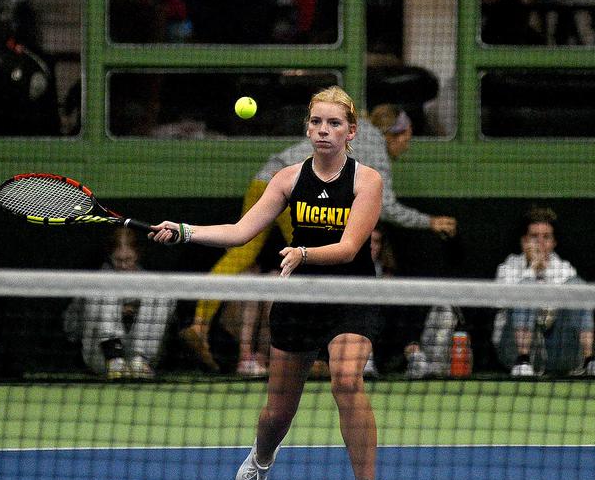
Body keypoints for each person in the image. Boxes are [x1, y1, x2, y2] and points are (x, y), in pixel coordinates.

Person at [150, 86, 388, 480]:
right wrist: (185, 230)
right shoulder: (288, 178)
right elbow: (241, 232)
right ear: (307, 128)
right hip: (298, 300)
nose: (324, 131)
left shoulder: (367, 180)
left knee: (347, 380)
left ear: (351, 132)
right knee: (279, 411)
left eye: (334, 123)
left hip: (351, 297)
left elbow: (352, 246)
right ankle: (261, 458)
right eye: (316, 122)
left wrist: (304, 253)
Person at [180, 101, 458, 369]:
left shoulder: (359, 137)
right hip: (293, 187)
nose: (407, 145)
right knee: (314, 258)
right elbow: (385, 206)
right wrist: (430, 222)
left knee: (244, 253)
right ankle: (308, 352)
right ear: (398, 133)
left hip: (264, 178)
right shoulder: (374, 143)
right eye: (408, 137)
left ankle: (200, 323)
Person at [491, 206, 595, 378]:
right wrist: (532, 271)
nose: (540, 243)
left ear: (554, 243)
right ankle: (523, 361)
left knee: (578, 287)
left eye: (546, 237)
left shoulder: (564, 269)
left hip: (558, 351)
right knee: (526, 288)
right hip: (511, 351)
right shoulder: (507, 268)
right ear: (524, 241)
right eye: (534, 237)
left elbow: (562, 312)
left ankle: (590, 360)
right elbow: (499, 304)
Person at [63, 228, 175, 379]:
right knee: (101, 287)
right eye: (118, 260)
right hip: (100, 357)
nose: (123, 265)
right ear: (110, 255)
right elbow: (71, 329)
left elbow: (170, 322)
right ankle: (114, 357)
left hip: (144, 361)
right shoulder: (92, 282)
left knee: (161, 294)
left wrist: (135, 310)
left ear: (138, 255)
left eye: (128, 259)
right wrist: (114, 311)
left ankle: (140, 361)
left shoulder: (153, 283)